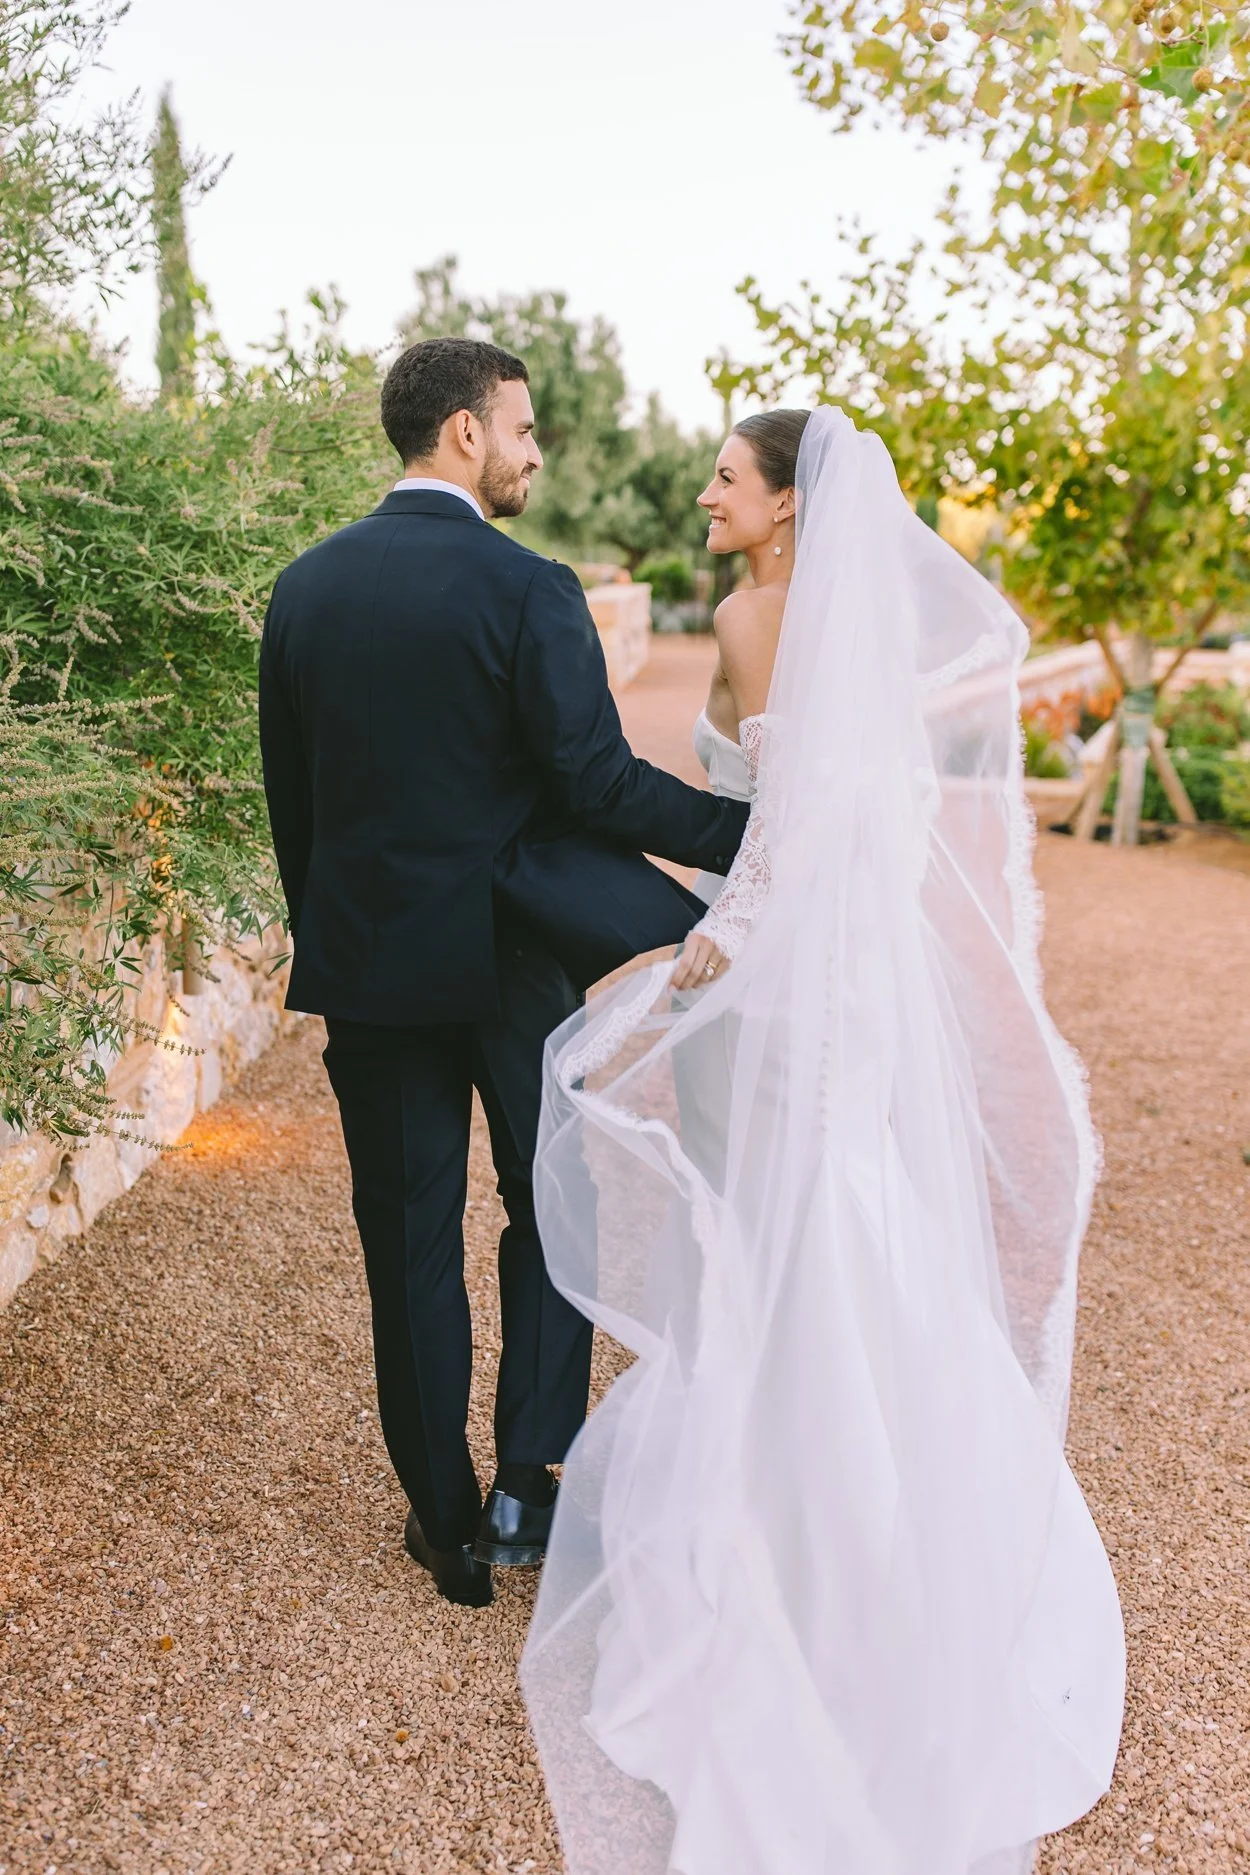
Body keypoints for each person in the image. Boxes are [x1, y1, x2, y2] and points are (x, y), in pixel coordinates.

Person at [521, 407, 1126, 1873]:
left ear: (789, 504)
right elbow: (851, 808)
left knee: (788, 1225)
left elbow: (785, 821)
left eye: (729, 475)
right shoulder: (828, 625)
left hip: (780, 973)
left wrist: (705, 952)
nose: (707, 491)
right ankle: (904, 1540)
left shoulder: (749, 616)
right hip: (836, 965)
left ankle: (813, 1563)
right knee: (828, 1214)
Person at [258, 339, 748, 1610]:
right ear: (466, 434)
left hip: (369, 974)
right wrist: (748, 836)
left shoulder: (302, 592)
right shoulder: (528, 589)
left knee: (406, 1243)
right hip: (507, 966)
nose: (535, 452)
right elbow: (594, 782)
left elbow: (293, 812)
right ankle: (529, 1484)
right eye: (524, 428)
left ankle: (444, 1519)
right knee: (547, 1219)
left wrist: (340, 937)